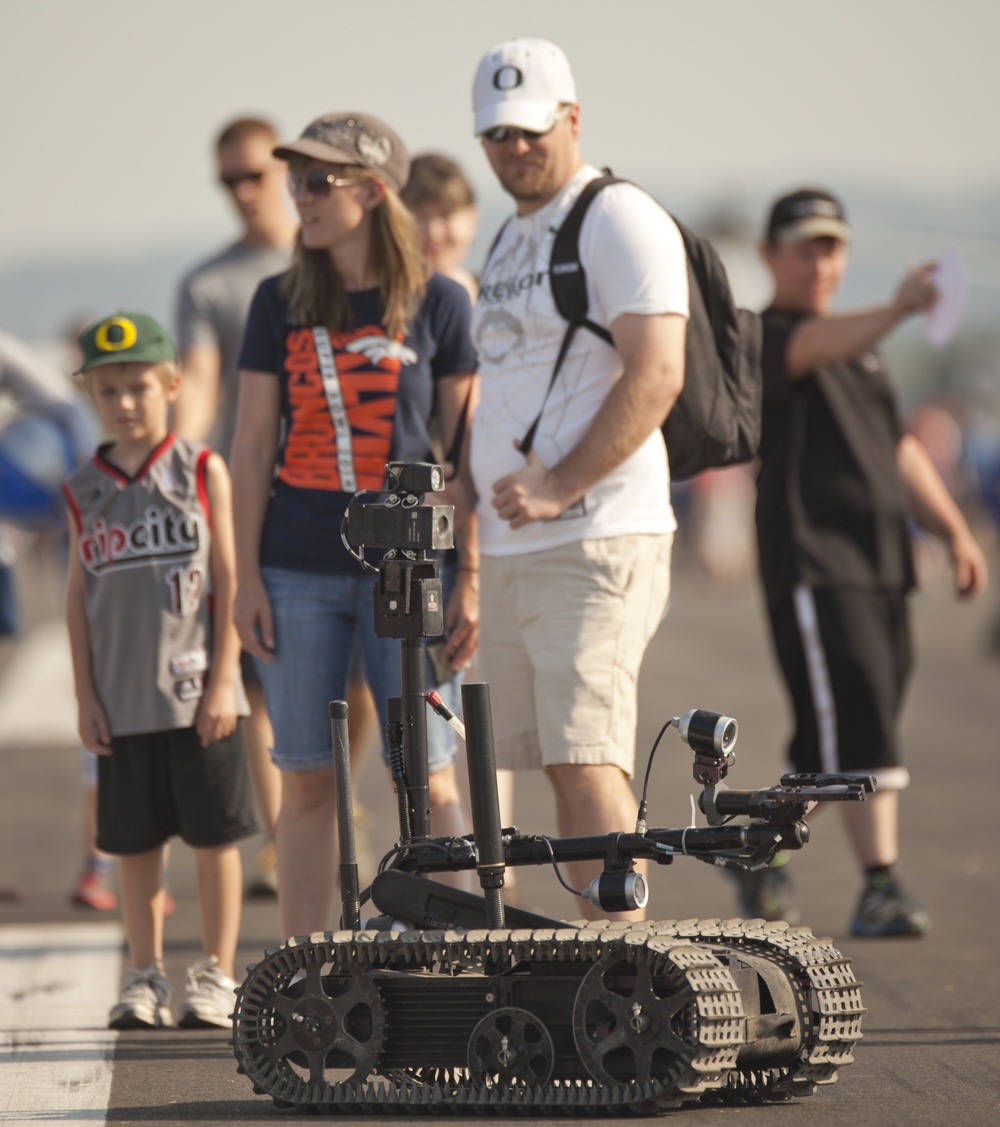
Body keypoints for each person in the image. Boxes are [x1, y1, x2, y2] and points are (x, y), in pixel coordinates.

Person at [230, 111, 479, 938]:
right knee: (306, 778)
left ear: (373, 193)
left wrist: (470, 574)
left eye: (314, 180)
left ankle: (453, 956)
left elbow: (467, 454)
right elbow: (253, 442)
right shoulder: (278, 300)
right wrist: (243, 582)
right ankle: (303, 968)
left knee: (429, 777)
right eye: (291, 179)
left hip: (410, 577)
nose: (293, 195)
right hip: (295, 569)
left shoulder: (439, 302)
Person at [467, 39, 688, 920]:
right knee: (561, 755)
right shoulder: (514, 233)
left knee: (589, 751)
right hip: (521, 543)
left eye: (528, 130)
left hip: (593, 534)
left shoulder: (617, 216)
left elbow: (657, 371)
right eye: (495, 135)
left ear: (572, 118)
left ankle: (630, 982)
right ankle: (595, 963)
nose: (512, 149)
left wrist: (559, 484)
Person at [750, 188, 989, 936]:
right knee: (858, 728)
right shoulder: (766, 333)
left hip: (882, 561)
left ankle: (755, 842)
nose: (822, 262)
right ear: (770, 255)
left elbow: (902, 448)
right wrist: (900, 306)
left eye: (833, 247)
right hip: (814, 561)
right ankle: (878, 885)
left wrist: (954, 529)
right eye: (806, 247)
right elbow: (805, 350)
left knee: (855, 723)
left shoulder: (868, 351)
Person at [64, 312, 257, 1028]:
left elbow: (230, 578)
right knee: (134, 844)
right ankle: (144, 973)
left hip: (200, 692)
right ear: (91, 394)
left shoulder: (202, 468)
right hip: (121, 699)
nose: (124, 401)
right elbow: (78, 600)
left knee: (214, 837)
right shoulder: (84, 486)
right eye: (108, 389)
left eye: (139, 385)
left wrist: (226, 678)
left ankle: (217, 972)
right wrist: (85, 696)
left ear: (172, 385)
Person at [174, 116, 296, 899]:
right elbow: (199, 386)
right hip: (245, 493)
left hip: (330, 492)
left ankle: (321, 792)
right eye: (229, 180)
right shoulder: (208, 283)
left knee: (352, 681)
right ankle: (286, 835)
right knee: (258, 678)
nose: (243, 192)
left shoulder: (321, 261)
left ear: (285, 170)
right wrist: (176, 471)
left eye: (254, 174)